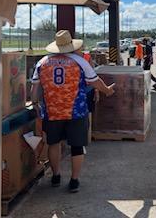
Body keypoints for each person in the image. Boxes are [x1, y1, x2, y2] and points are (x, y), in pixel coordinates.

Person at [30, 30, 115, 193]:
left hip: (52, 112)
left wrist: (35, 103)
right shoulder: (79, 61)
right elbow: (95, 82)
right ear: (71, 46)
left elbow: (35, 88)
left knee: (53, 144)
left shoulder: (43, 62)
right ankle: (74, 180)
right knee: (77, 146)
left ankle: (56, 176)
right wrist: (107, 91)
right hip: (76, 112)